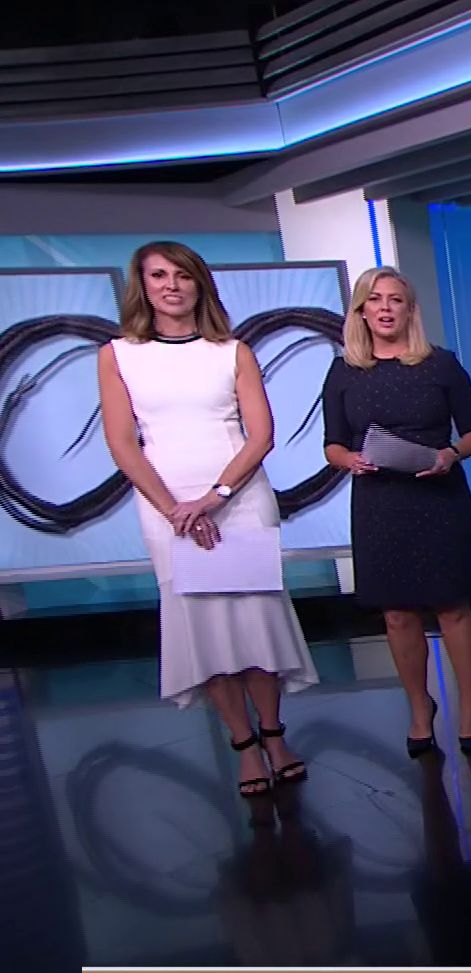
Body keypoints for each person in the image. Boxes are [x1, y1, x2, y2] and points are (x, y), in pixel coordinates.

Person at [96, 240, 318, 799]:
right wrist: (175, 509)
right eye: (158, 275)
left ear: (200, 284)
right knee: (203, 628)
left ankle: (275, 736)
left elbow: (260, 435)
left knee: (255, 620)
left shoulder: (233, 351)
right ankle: (244, 747)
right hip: (166, 508)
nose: (171, 286)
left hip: (239, 501)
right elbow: (122, 443)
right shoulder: (118, 355)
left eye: (182, 275)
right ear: (143, 286)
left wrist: (214, 497)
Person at [321, 267, 471, 757]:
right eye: (375, 300)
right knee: (397, 614)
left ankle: (469, 708)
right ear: (361, 311)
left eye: (395, 299)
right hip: (380, 503)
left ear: (409, 310)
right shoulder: (343, 371)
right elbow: (333, 444)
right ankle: (420, 708)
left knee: (452, 606)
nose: (385, 308)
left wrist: (451, 454)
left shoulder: (441, 364)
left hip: (437, 496)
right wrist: (349, 460)